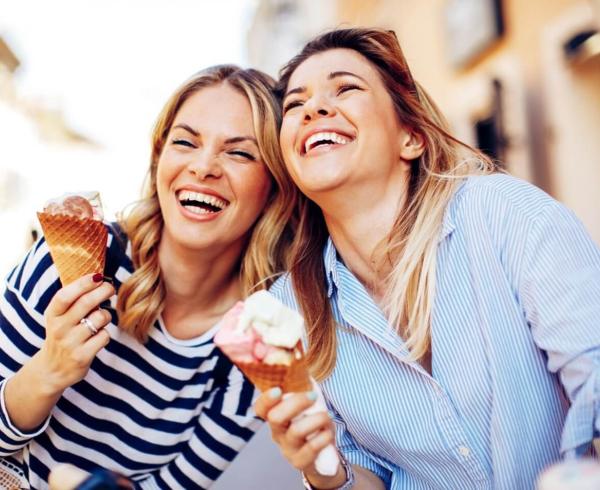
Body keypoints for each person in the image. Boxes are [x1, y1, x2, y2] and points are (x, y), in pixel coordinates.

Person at [255, 28, 600, 489]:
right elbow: (367, 478)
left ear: (411, 137)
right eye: (295, 105)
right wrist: (323, 467)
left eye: (346, 88)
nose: (314, 108)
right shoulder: (288, 311)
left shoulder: (503, 214)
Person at [0, 64, 295, 489]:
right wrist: (49, 372)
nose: (204, 166)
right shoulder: (73, 261)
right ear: (160, 157)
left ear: (276, 185)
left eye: (240, 152)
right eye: (185, 142)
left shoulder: (263, 338)